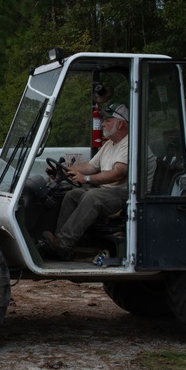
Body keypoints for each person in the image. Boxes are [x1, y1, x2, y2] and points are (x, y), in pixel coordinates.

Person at [41, 103, 131, 260]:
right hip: (107, 191)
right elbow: (90, 166)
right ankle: (61, 246)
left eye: (107, 120)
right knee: (72, 195)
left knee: (92, 197)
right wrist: (65, 171)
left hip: (126, 194)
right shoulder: (109, 144)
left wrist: (87, 179)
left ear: (120, 123)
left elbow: (118, 173)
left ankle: (63, 243)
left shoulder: (129, 144)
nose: (103, 123)